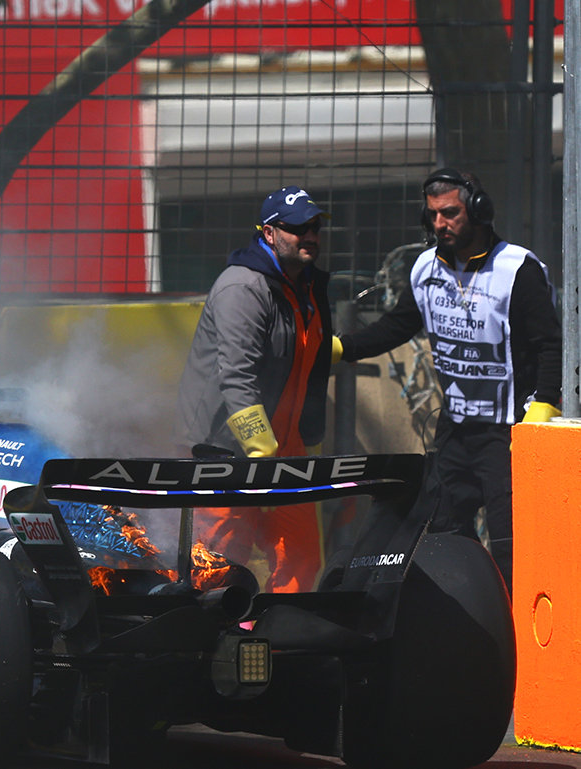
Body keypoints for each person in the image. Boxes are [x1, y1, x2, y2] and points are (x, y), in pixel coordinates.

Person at [335, 168, 562, 593]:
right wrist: (340, 349)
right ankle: (472, 604)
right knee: (442, 526)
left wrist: (545, 406)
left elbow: (551, 344)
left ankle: (517, 632)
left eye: (451, 213)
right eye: (433, 214)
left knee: (512, 539)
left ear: (478, 210)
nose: (440, 223)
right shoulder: (425, 268)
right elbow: (397, 326)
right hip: (456, 427)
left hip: (509, 429)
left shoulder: (518, 269)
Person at [175, 186, 334, 593]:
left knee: (303, 558)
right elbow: (237, 378)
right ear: (269, 233)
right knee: (218, 565)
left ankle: (285, 641)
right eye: (298, 228)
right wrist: (262, 453)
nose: (310, 235)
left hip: (287, 447)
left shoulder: (310, 284)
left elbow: (306, 354)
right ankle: (213, 645)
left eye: (315, 226)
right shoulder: (242, 288)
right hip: (225, 450)